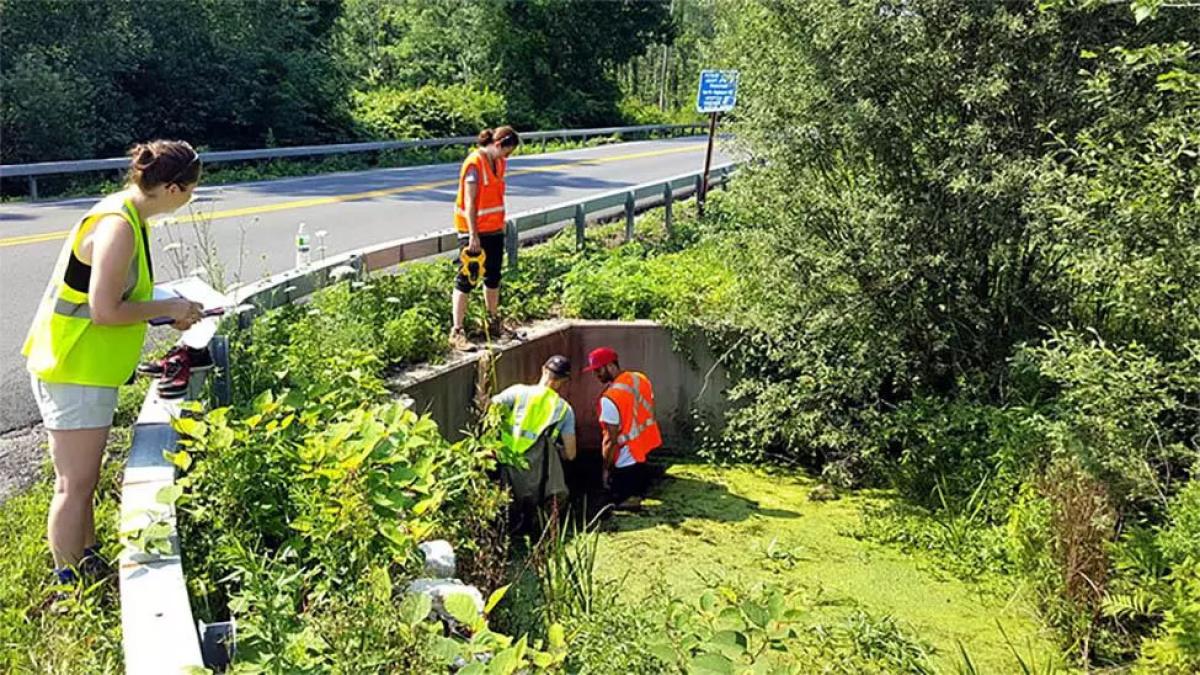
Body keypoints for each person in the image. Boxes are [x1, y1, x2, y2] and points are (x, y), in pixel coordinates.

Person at [22, 140, 205, 585]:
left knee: (84, 479)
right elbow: (105, 310)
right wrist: (174, 309)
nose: (191, 199)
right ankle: (69, 584)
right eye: (193, 191)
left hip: (85, 369)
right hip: (73, 367)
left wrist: (168, 311)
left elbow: (125, 299)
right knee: (74, 484)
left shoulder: (128, 214)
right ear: (175, 187)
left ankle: (87, 557)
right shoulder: (118, 227)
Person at [450, 126, 522, 351]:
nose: (507, 157)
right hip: (474, 233)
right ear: (498, 144)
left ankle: (492, 321)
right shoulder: (474, 163)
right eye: (507, 151)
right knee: (467, 279)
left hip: (494, 230)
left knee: (493, 277)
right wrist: (473, 234)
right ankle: (457, 331)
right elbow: (470, 202)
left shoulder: (499, 163)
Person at [489, 355, 577, 533]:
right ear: (564, 381)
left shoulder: (517, 393)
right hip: (540, 473)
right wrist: (556, 450)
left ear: (544, 369)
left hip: (508, 463)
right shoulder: (564, 410)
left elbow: (489, 407)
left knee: (507, 510)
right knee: (550, 503)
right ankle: (539, 534)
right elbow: (571, 454)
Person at [584, 347, 663, 509]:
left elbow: (610, 441)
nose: (596, 375)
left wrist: (605, 470)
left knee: (620, 501)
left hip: (625, 460)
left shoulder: (610, 399)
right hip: (643, 449)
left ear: (611, 366)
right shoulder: (640, 378)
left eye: (598, 370)